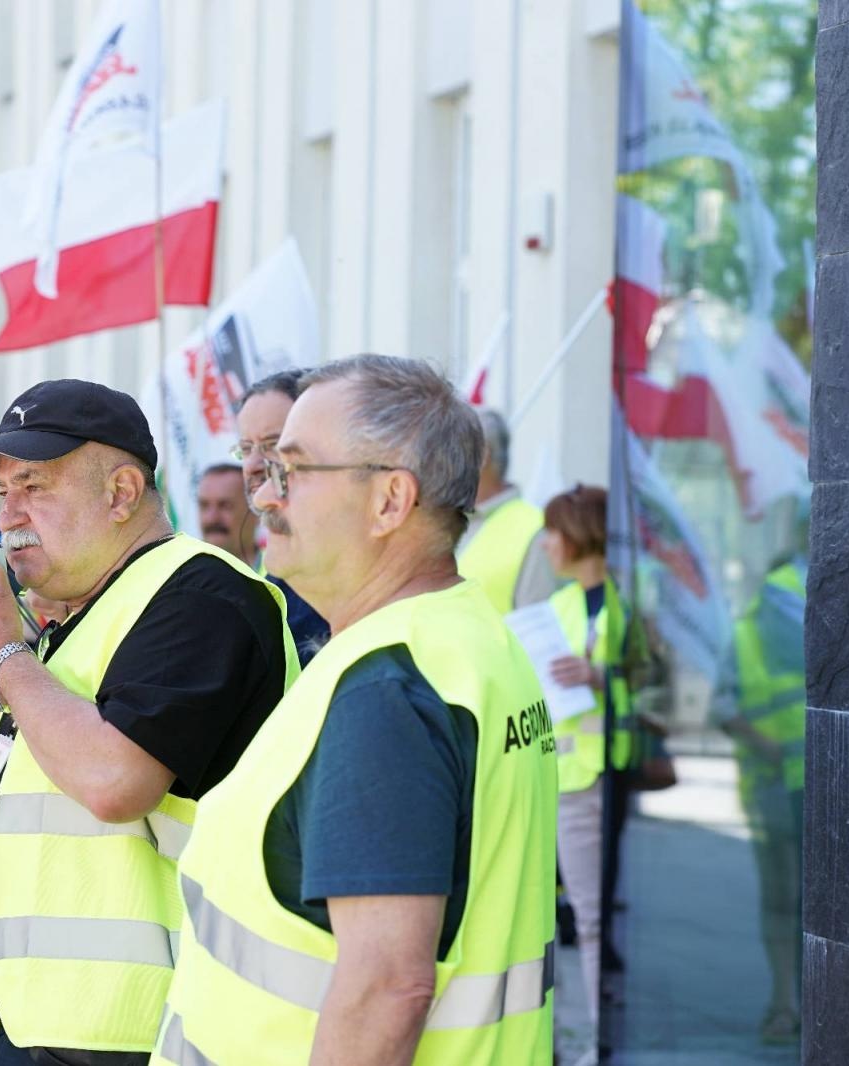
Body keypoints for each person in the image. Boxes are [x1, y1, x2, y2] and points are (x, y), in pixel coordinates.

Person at [155, 355, 557, 1066]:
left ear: (389, 501)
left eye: (294, 470)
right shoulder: (460, 638)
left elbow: (385, 989)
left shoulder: (386, 686)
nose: (264, 497)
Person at [0, 379, 297, 1064]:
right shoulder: (86, 613)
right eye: (3, 493)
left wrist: (0, 653)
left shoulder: (204, 594)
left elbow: (114, 781)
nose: (8, 517)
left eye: (35, 488)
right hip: (48, 1024)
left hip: (144, 1032)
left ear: (121, 493)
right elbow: (18, 779)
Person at [541, 485, 637, 1030]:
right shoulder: (558, 606)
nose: (547, 544)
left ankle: (599, 1037)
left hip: (612, 772)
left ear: (580, 534)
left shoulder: (630, 603)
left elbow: (656, 684)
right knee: (583, 910)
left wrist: (601, 677)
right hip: (569, 774)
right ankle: (593, 1028)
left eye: (554, 531)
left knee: (595, 912)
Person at [716, 549, 806, 1044]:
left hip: (806, 783)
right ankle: (785, 1002)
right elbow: (723, 706)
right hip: (775, 786)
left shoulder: (817, 631)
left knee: (802, 900)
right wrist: (763, 744)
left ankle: (795, 1003)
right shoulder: (748, 633)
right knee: (783, 898)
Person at [233, 370, 329, 663]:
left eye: (273, 444)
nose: (252, 464)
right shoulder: (273, 573)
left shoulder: (342, 575)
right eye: (246, 448)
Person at [457, 408, 557, 614]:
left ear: (482, 455)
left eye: (452, 449)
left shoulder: (535, 531)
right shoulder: (446, 520)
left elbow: (536, 635)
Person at [194, 463, 258, 565]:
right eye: (204, 506)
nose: (212, 518)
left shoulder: (284, 576)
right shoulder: (178, 576)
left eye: (225, 506)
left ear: (255, 511)